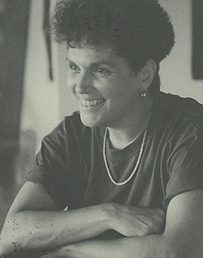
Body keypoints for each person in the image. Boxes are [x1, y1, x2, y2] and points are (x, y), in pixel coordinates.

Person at [1, 0, 203, 257]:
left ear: (144, 75)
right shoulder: (70, 136)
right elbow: (11, 235)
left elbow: (178, 252)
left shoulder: (189, 132)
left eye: (99, 70)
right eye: (74, 67)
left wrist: (69, 250)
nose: (80, 86)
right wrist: (108, 214)